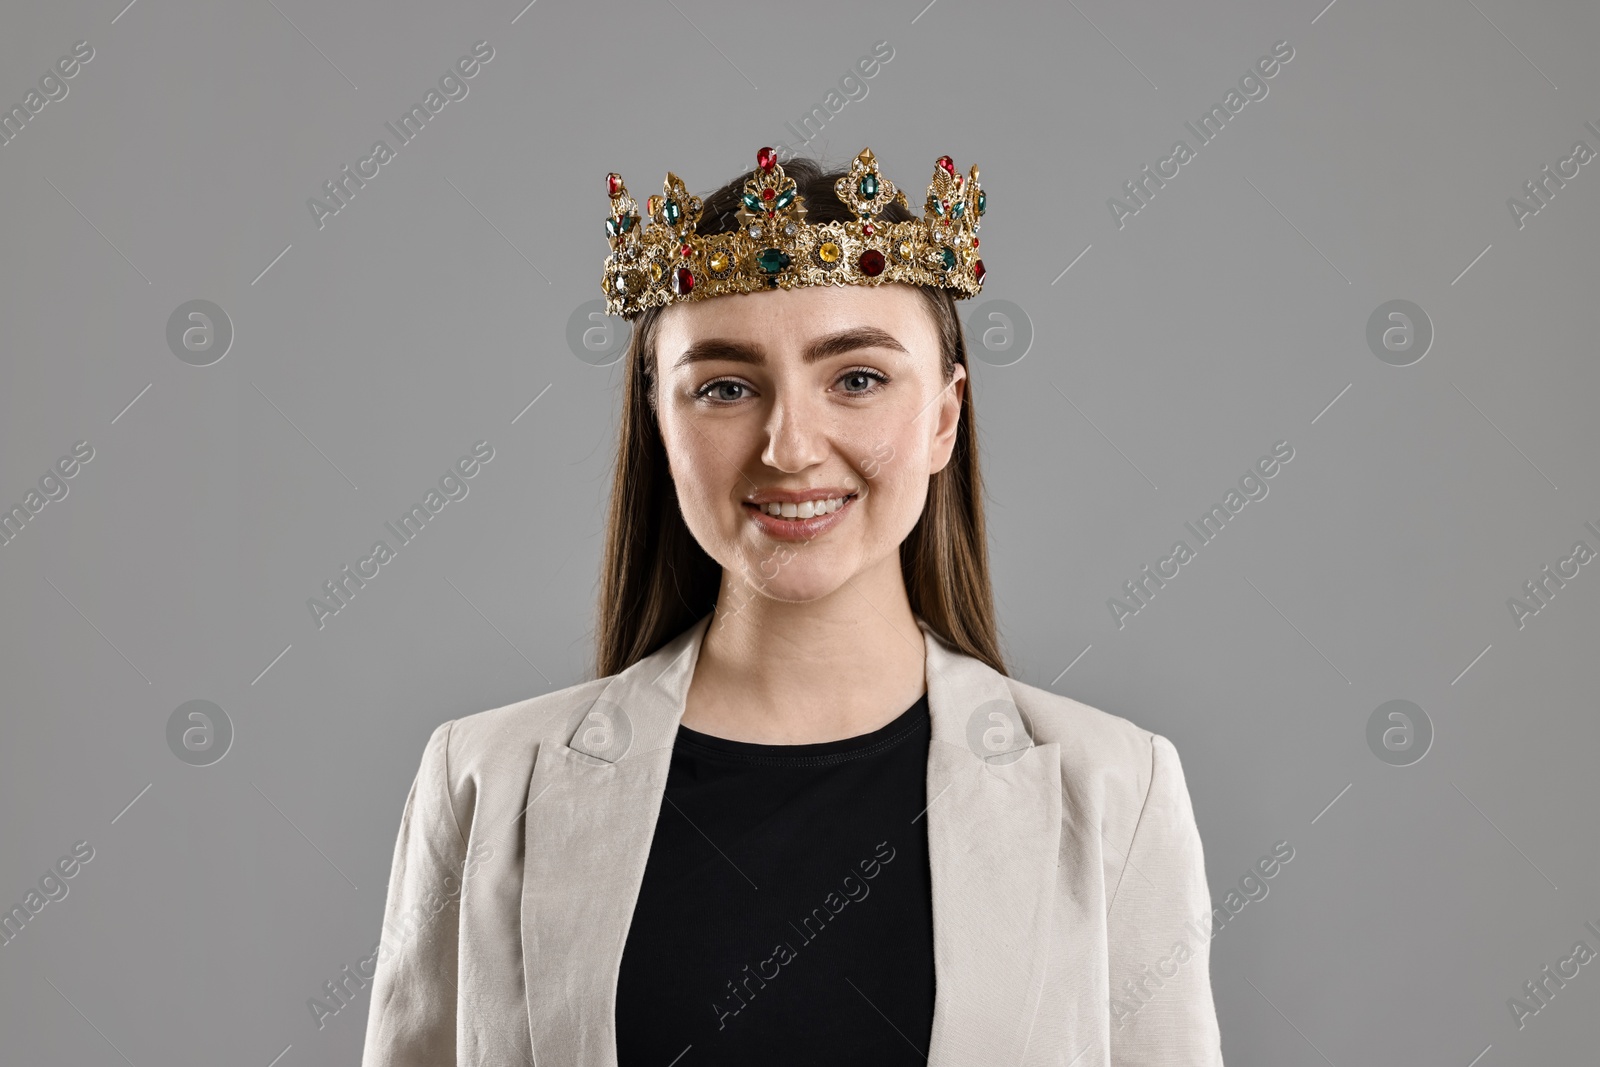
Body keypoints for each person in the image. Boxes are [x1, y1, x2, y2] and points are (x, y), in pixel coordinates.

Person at [360, 146, 1224, 1066]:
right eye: (726, 388)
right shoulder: (488, 784)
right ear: (660, 423)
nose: (790, 448)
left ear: (943, 415)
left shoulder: (1115, 792)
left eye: (857, 378)